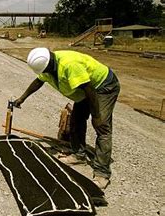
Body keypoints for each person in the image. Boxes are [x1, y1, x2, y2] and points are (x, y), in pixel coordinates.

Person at [13, 47, 120, 189]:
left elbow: (90, 90)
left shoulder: (69, 65)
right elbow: (38, 82)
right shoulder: (49, 67)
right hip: (85, 90)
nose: (44, 74)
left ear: (49, 64)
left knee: (102, 126)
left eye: (45, 71)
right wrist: (22, 98)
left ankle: (102, 173)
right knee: (76, 120)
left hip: (103, 86)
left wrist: (96, 115)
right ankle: (79, 155)